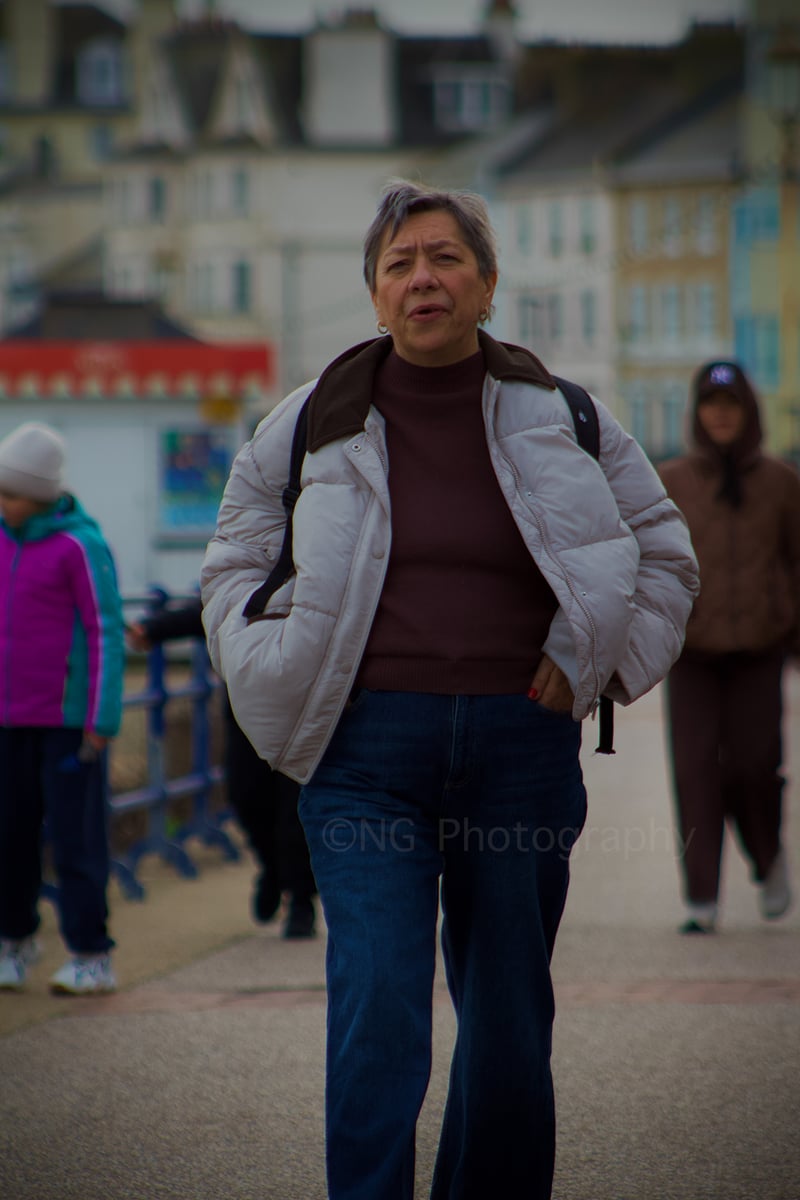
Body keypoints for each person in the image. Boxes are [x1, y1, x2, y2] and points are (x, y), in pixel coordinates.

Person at [201, 180, 699, 1200]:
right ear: (375, 296)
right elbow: (231, 564)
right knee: (378, 999)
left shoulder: (565, 416)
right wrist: (266, 667)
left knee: (509, 1019)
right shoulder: (307, 422)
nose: (420, 277)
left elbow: (663, 553)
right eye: (397, 264)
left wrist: (591, 663)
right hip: (363, 756)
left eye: (442, 258)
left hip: (518, 752)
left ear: (485, 283)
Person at [659, 360, 800, 935]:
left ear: (748, 413)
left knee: (752, 768)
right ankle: (700, 897)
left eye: (731, 404)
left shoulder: (782, 484)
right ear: (696, 413)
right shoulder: (670, 482)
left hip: (759, 652)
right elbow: (651, 565)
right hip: (692, 655)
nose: (720, 414)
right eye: (710, 404)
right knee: (695, 772)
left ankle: (767, 859)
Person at [0, 422, 125, 994]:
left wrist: (101, 722)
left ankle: (91, 954)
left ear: (44, 493)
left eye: (11, 493)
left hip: (69, 725)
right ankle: (15, 941)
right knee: (10, 837)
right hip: (8, 720)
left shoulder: (82, 545)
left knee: (76, 841)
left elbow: (104, 632)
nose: (3, 502)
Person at [127, 598, 317, 938]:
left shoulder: (312, 570)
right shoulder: (249, 567)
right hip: (247, 715)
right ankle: (271, 868)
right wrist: (154, 629)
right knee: (246, 800)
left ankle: (301, 900)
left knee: (295, 814)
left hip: (302, 715)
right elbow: (209, 607)